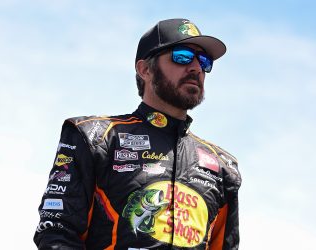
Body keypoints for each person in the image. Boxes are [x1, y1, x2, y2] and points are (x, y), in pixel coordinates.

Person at [34, 18, 242, 250]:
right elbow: (57, 233)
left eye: (204, 61)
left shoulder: (224, 168)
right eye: (181, 57)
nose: (195, 68)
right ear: (145, 69)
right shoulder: (94, 137)